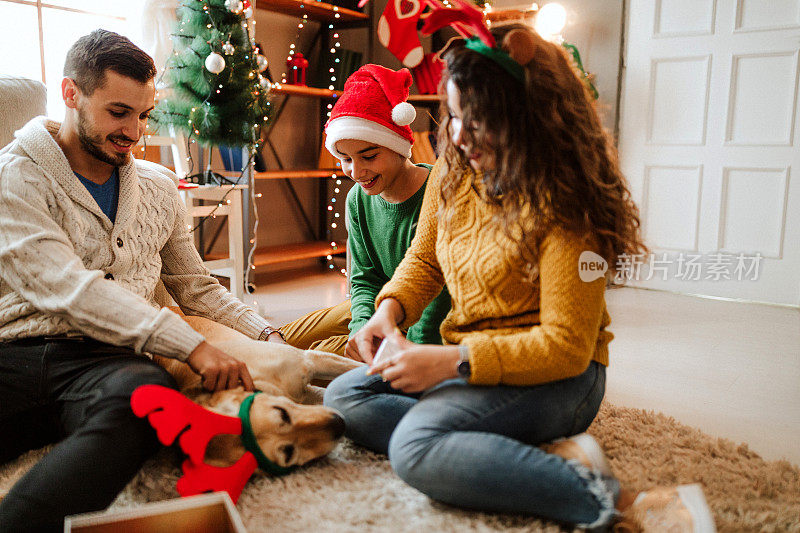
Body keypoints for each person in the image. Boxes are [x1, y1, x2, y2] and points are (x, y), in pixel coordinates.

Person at [324, 24, 716, 531]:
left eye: (480, 120)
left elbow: (566, 346)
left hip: (559, 378)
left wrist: (449, 363)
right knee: (345, 398)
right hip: (475, 364)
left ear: (529, 116)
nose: (460, 137)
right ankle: (534, 451)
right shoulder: (455, 169)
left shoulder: (566, 203)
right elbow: (425, 262)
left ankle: (617, 501)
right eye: (457, 116)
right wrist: (388, 311)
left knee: (415, 448)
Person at [0, 30, 284, 531]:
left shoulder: (156, 188)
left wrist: (264, 333)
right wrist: (191, 346)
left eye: (143, 114)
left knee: (148, 402)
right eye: (118, 112)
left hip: (103, 360)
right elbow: (66, 286)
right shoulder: (15, 175)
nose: (134, 131)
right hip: (12, 352)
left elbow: (194, 286)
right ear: (71, 94)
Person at [278, 64, 450, 360]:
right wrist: (360, 328)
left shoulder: (438, 190)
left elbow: (435, 293)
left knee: (313, 357)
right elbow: (364, 280)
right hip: (378, 305)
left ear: (398, 148)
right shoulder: (358, 198)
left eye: (369, 156)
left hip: (421, 321)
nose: (356, 171)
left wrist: (415, 353)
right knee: (280, 339)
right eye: (345, 159)